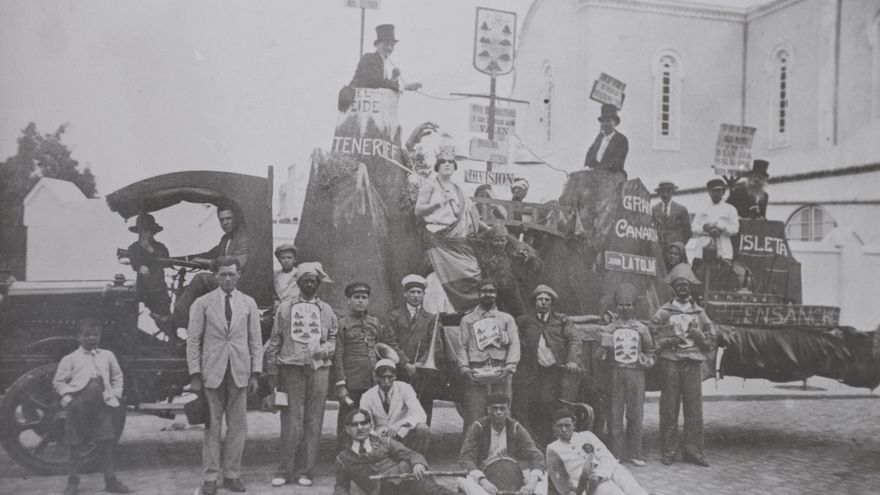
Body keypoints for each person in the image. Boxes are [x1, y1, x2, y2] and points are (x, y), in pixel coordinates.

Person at [186, 256, 263, 495]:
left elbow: (255, 340)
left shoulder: (248, 303)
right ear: (215, 276)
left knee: (237, 428)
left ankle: (232, 475)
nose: (228, 279)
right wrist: (195, 374)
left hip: (239, 372)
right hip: (212, 373)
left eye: (232, 274)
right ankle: (210, 478)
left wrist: (255, 373)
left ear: (238, 275)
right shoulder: (203, 303)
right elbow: (193, 341)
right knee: (212, 427)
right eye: (223, 274)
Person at [265, 264, 337, 488]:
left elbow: (333, 337)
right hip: (291, 368)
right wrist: (272, 370)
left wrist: (325, 349)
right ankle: (285, 470)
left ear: (318, 284)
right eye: (305, 280)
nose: (309, 284)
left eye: (313, 281)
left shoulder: (326, 310)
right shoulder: (285, 308)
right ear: (298, 283)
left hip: (319, 370)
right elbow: (275, 339)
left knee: (314, 421)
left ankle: (305, 471)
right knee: (292, 422)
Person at [53, 318, 131, 495]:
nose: (91, 338)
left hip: (101, 406)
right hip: (77, 407)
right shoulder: (70, 359)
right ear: (78, 336)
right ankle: (72, 482)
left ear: (100, 336)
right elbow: (58, 382)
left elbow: (117, 377)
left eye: (95, 334)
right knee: (74, 444)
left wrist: (115, 395)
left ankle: (110, 480)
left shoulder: (107, 355)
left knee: (105, 441)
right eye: (86, 335)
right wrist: (69, 399)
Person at [651, 263, 717, 467]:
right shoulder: (663, 312)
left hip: (692, 362)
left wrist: (698, 335)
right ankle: (669, 450)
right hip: (670, 362)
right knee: (669, 408)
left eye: (686, 284)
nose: (682, 287)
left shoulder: (700, 313)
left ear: (691, 288)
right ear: (673, 288)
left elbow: (711, 340)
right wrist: (666, 340)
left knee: (694, 409)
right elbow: (651, 335)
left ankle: (694, 451)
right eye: (678, 284)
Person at [415, 145, 485, 312]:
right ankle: (442, 310)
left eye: (450, 162)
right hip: (437, 235)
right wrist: (438, 203)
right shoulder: (429, 186)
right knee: (439, 273)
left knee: (473, 270)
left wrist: (489, 228)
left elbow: (472, 215)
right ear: (438, 165)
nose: (447, 164)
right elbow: (418, 210)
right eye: (443, 162)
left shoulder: (459, 189)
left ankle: (467, 310)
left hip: (458, 237)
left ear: (454, 166)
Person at [334, 282, 401, 451]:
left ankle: (368, 454)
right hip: (352, 382)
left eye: (364, 297)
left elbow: (380, 346)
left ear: (368, 301)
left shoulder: (374, 322)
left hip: (372, 381)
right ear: (348, 300)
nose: (360, 301)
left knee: (370, 420)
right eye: (356, 297)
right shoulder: (342, 324)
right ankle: (345, 455)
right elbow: (338, 357)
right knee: (348, 420)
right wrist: (341, 384)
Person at [513, 284, 580, 448]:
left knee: (548, 404)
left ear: (551, 303)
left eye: (547, 300)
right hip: (531, 371)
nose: (543, 302)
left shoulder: (561, 321)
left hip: (553, 372)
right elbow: (512, 335)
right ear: (534, 302)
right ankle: (528, 445)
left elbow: (574, 339)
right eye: (540, 299)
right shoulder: (524, 321)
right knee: (525, 406)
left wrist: (572, 360)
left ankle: (548, 444)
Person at [333, 409, 455, 495]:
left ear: (370, 426)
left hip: (408, 480)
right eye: (355, 425)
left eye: (364, 423)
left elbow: (411, 454)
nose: (360, 428)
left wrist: (418, 464)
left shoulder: (385, 442)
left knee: (434, 490)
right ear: (347, 429)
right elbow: (341, 485)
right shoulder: (343, 458)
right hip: (382, 492)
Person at [599, 284, 655, 466]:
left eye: (629, 304)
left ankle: (635, 453)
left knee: (635, 413)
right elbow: (600, 355)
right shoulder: (610, 328)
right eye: (622, 305)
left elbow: (651, 351)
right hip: (615, 373)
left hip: (635, 374)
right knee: (614, 414)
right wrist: (604, 351)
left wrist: (646, 360)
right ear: (616, 306)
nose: (625, 308)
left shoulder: (641, 328)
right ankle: (615, 453)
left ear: (634, 306)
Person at [169, 206, 249, 330]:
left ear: (236, 219)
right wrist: (188, 258)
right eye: (222, 220)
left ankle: (177, 320)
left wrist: (208, 262)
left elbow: (238, 263)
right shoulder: (225, 239)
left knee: (201, 279)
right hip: (223, 280)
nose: (225, 222)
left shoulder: (243, 236)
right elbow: (212, 253)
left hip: (236, 282)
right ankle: (187, 327)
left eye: (228, 218)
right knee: (186, 290)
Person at [456, 279, 521, 432]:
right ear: (478, 294)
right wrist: (465, 369)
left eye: (491, 291)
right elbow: (462, 346)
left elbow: (514, 344)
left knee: (502, 411)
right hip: (476, 370)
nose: (488, 294)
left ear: (496, 294)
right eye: (484, 291)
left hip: (501, 369)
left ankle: (502, 445)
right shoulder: (467, 319)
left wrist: (510, 366)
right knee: (474, 413)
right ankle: (473, 446)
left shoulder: (506, 318)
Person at [458, 392, 547, 495]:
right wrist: (483, 481)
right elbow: (466, 458)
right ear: (488, 410)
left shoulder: (515, 428)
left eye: (502, 409)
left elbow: (536, 456)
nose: (499, 412)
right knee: (463, 480)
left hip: (513, 473)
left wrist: (531, 483)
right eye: (495, 408)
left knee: (542, 481)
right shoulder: (478, 427)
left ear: (508, 410)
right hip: (483, 474)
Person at [546, 408, 649, 495]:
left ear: (573, 425)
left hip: (604, 472)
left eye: (567, 425)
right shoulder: (553, 448)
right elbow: (560, 481)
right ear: (553, 427)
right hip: (588, 484)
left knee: (624, 477)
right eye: (560, 426)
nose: (564, 429)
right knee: (612, 491)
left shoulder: (587, 436)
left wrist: (600, 475)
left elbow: (607, 458)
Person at [385, 274, 444, 424]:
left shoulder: (431, 318)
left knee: (423, 409)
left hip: (422, 373)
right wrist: (405, 363)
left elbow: (435, 345)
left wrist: (419, 364)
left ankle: (422, 438)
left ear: (424, 295)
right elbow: (391, 342)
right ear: (405, 294)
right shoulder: (394, 316)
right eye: (412, 292)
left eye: (419, 292)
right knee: (398, 409)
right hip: (400, 370)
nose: (416, 295)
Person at [359, 359, 430, 453]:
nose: (386, 381)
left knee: (422, 428)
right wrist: (376, 435)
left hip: (403, 433)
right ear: (375, 377)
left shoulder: (405, 388)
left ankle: (418, 458)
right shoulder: (367, 396)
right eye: (382, 377)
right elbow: (365, 424)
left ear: (395, 376)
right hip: (380, 439)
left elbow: (421, 414)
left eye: (389, 377)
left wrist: (399, 425)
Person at [124, 213, 171, 326]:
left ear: (153, 232)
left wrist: (149, 248)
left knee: (165, 320)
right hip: (142, 289)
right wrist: (140, 267)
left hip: (159, 289)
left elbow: (167, 262)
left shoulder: (161, 247)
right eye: (142, 231)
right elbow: (134, 262)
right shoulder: (133, 247)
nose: (144, 234)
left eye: (148, 231)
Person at [349, 24, 422, 92]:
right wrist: (403, 87)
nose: (389, 48)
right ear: (377, 45)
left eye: (392, 45)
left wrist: (393, 78)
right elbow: (376, 83)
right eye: (386, 44)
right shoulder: (369, 58)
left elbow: (383, 88)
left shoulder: (383, 63)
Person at [691, 179, 739, 262]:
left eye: (719, 191)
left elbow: (735, 229)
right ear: (709, 192)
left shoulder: (730, 209)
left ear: (723, 192)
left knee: (723, 268)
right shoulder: (702, 208)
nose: (716, 193)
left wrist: (722, 228)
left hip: (723, 249)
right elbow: (694, 227)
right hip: (703, 250)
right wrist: (704, 228)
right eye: (713, 191)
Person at [583, 104, 628, 173]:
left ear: (615, 123)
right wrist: (588, 167)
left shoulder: (621, 139)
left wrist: (597, 169)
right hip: (595, 174)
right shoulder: (599, 137)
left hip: (612, 175)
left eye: (608, 121)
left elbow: (616, 163)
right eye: (602, 121)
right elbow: (589, 154)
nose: (605, 124)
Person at [652, 181, 691, 251]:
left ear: (672, 192)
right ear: (659, 193)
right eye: (662, 192)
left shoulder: (681, 209)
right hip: (658, 248)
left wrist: (679, 245)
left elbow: (687, 231)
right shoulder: (654, 210)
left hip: (675, 250)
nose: (665, 195)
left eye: (668, 191)